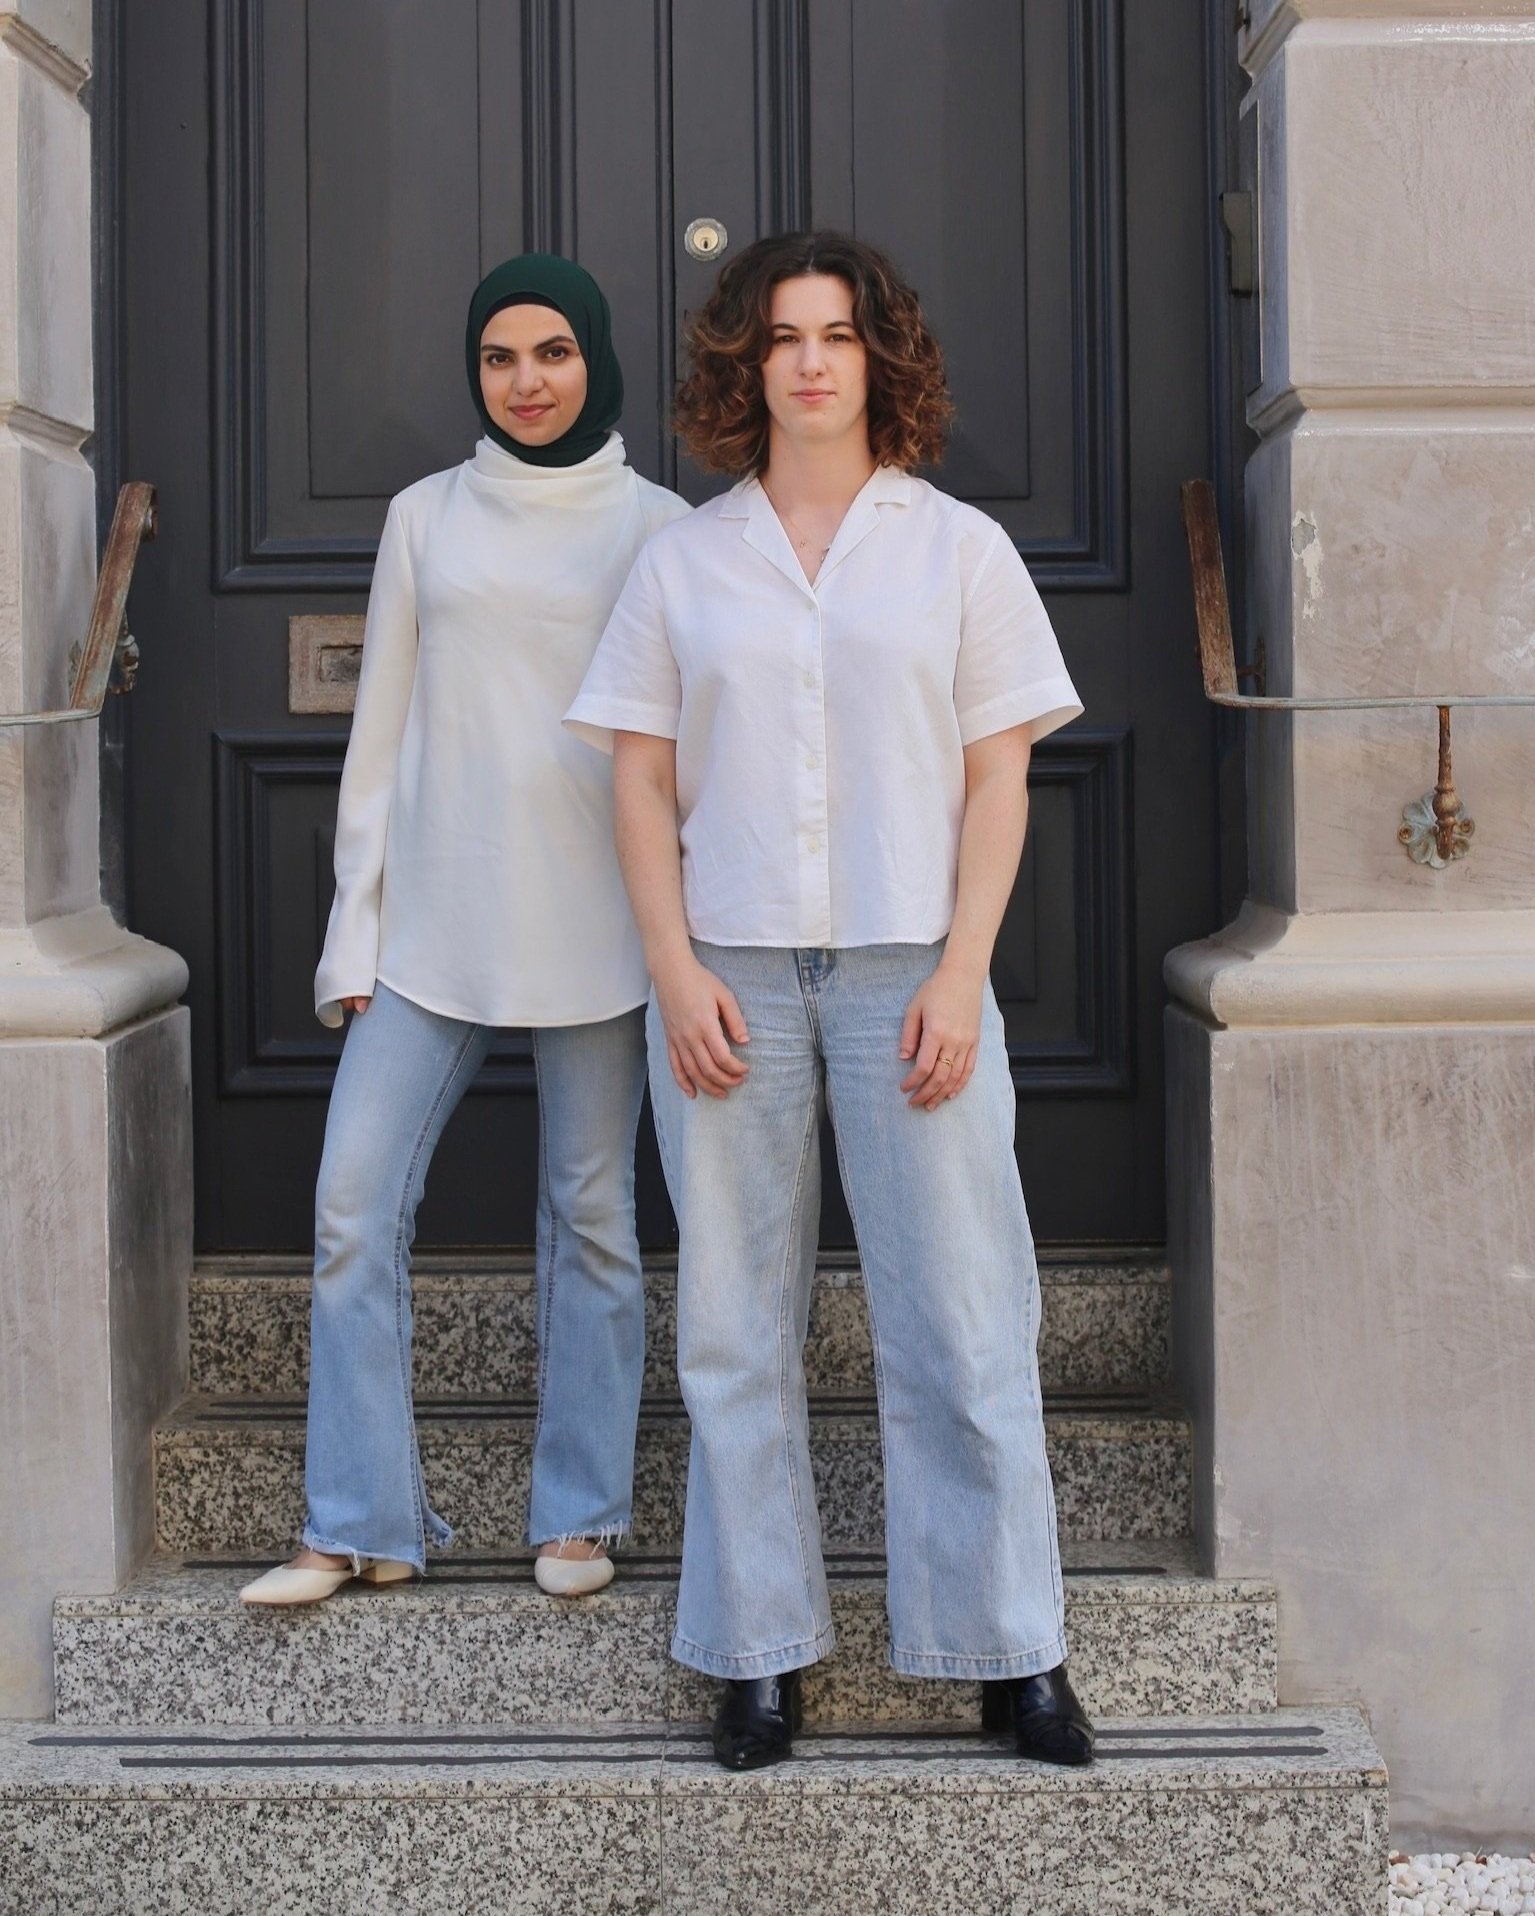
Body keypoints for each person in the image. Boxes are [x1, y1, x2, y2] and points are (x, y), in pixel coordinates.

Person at [565, 230, 1095, 1769]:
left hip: (906, 976)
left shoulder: (957, 551)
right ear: (747, 365)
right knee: (735, 1324)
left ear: (881, 359)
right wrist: (670, 970)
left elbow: (1000, 780)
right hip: (727, 979)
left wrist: (958, 971)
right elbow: (639, 775)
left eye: (839, 335)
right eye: (783, 337)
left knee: (967, 1312)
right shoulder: (682, 559)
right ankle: (756, 1656)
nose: (810, 360)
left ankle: (1013, 1652)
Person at [240, 254, 690, 1608]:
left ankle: (582, 1513)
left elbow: (682, 751)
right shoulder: (424, 518)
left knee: (594, 1216)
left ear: (594, 357)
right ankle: (359, 1520)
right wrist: (350, 941)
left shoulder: (661, 525)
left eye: (553, 352)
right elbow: (377, 740)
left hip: (602, 927)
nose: (528, 381)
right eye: (501, 358)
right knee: (351, 1206)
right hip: (433, 922)